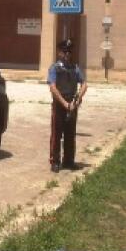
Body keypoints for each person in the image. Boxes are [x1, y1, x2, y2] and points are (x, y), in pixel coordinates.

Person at [48, 38, 87, 172]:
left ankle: (69, 161)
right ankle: (55, 161)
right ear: (60, 53)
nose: (67, 54)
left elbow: (84, 84)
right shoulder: (54, 68)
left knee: (70, 134)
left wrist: (77, 100)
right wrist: (65, 103)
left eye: (69, 51)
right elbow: (53, 87)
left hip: (72, 105)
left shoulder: (75, 68)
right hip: (59, 105)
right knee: (56, 134)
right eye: (65, 51)